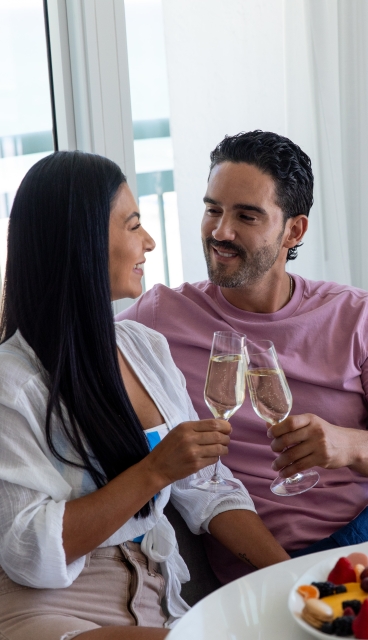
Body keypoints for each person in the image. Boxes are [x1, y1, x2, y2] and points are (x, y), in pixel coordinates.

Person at [118, 130, 368, 585]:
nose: (220, 232)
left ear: (294, 229)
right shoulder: (159, 317)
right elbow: (61, 349)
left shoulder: (356, 315)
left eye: (246, 216)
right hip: (278, 563)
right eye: (213, 210)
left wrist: (347, 445)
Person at [0, 151, 289, 640]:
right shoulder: (15, 381)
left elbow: (209, 490)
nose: (149, 242)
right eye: (133, 226)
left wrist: (298, 581)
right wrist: (154, 471)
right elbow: (29, 549)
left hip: (153, 598)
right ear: (83, 241)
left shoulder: (144, 349)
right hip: (50, 608)